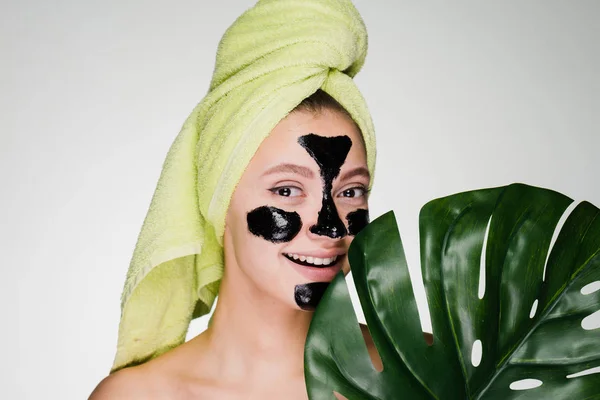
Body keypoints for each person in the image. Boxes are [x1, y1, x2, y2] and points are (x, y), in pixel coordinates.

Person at [90, 1, 382, 398]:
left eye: (350, 192)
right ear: (219, 202)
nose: (331, 227)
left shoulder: (422, 376)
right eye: (286, 190)